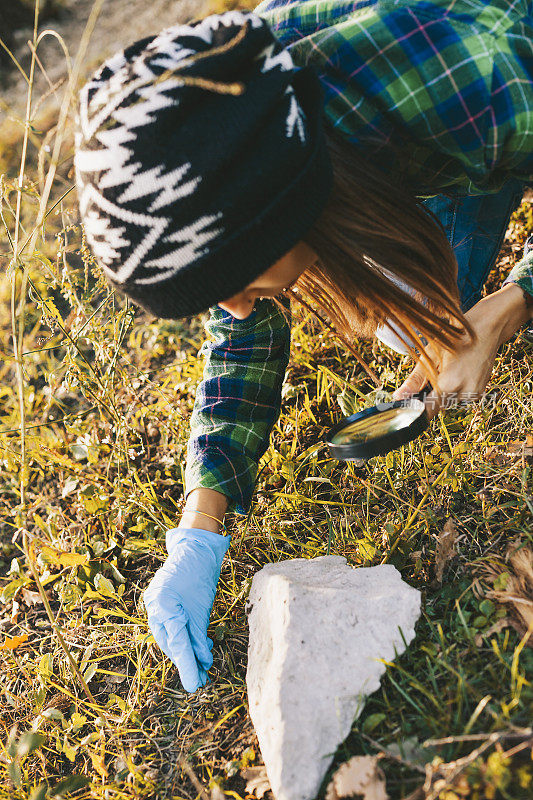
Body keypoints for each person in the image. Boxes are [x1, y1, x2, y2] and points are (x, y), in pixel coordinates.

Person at [74, 1, 533, 692]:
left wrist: (505, 308)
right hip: (429, 140)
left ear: (274, 204)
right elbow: (241, 335)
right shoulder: (255, 129)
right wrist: (199, 529)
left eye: (229, 281)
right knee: (408, 317)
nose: (230, 309)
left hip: (490, 96)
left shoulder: (483, 73)